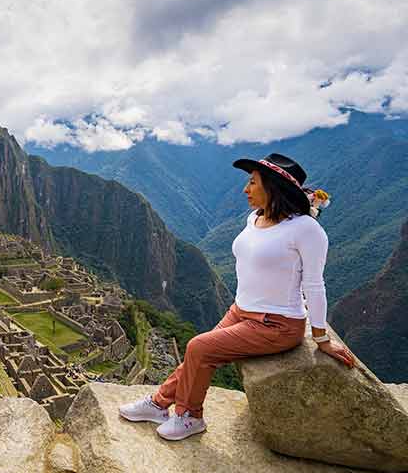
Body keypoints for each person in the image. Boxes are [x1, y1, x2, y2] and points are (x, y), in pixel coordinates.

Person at [118, 153, 355, 441]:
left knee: (199, 348)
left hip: (277, 324)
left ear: (273, 187)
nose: (246, 189)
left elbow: (315, 285)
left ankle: (190, 417)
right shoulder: (255, 218)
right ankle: (158, 404)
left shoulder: (307, 230)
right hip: (241, 310)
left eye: (252, 183)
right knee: (197, 356)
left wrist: (321, 338)